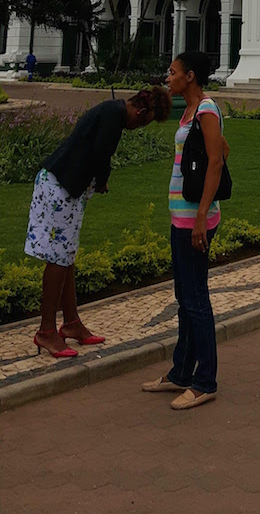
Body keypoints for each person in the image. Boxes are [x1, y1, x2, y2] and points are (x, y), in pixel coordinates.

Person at [25, 86, 172, 358]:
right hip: (59, 186)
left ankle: (71, 324)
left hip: (66, 187)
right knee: (58, 259)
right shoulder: (114, 115)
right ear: (140, 110)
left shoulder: (112, 111)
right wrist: (103, 181)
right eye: (143, 122)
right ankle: (46, 331)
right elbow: (102, 154)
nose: (138, 127)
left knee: (66, 256)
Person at [142, 50, 226, 409]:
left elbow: (217, 161)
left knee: (195, 299)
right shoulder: (192, 112)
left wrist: (201, 215)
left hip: (196, 219)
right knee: (185, 297)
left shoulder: (206, 109)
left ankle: (205, 380)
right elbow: (220, 148)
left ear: (189, 76)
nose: (168, 76)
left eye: (173, 71)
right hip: (183, 215)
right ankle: (181, 373)